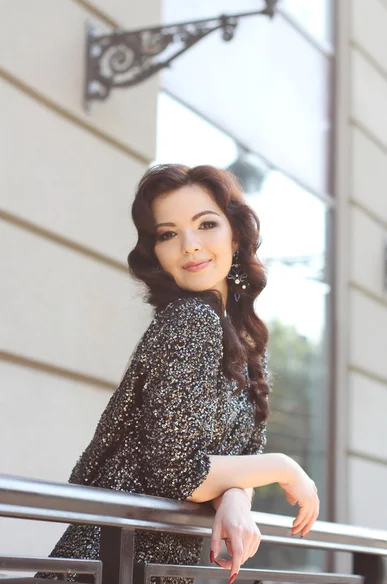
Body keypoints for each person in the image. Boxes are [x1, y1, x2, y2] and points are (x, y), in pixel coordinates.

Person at [35, 164, 319, 584]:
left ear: (235, 235)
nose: (189, 246)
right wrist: (284, 467)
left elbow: (232, 461)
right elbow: (179, 472)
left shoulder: (238, 342)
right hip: (114, 558)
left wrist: (236, 495)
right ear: (157, 252)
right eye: (168, 234)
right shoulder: (191, 320)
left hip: (152, 563)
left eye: (206, 224)